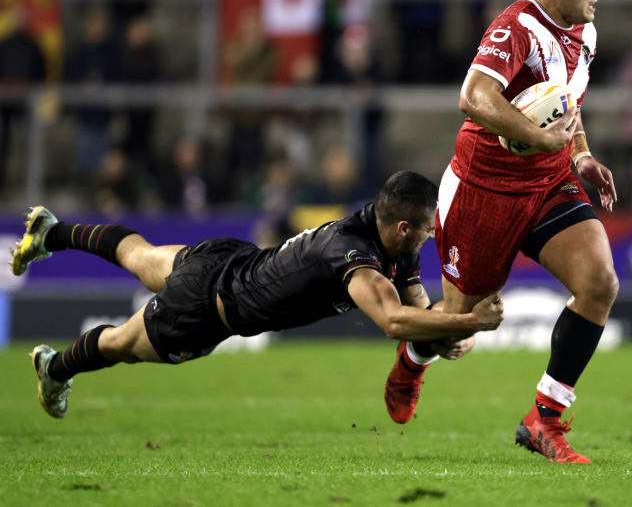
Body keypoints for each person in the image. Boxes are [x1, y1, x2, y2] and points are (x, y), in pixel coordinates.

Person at [383, 0, 617, 465]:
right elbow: (474, 96)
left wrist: (579, 154)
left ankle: (545, 420)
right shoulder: (519, 26)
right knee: (459, 326)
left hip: (549, 182)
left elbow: (567, 107)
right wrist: (536, 138)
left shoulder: (588, 34)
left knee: (599, 282)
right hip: (484, 189)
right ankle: (413, 359)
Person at [11, 171, 503, 420]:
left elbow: (420, 312)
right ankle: (53, 368)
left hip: (228, 258)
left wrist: (452, 329)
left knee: (139, 256)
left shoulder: (390, 238)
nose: (431, 236)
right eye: (426, 229)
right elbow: (395, 322)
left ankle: (50, 233)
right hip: (208, 309)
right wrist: (468, 325)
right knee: (120, 344)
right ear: (402, 225)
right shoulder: (355, 256)